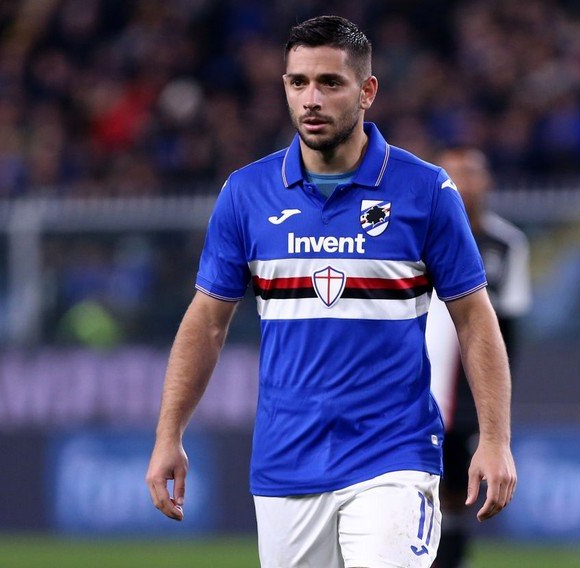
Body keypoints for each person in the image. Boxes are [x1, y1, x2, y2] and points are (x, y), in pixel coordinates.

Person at [145, 16, 516, 567]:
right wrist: (168, 434)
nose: (311, 99)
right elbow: (207, 322)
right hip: (286, 463)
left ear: (367, 91)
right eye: (298, 82)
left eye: (330, 83)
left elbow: (475, 318)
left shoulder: (426, 190)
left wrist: (495, 438)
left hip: (394, 456)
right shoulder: (246, 193)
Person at [425, 148, 530, 568]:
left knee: (457, 487)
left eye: (470, 172)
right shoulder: (416, 231)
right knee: (420, 483)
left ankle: (453, 558)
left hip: (469, 389)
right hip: (419, 381)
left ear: (487, 180)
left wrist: (499, 394)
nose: (462, 182)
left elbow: (509, 324)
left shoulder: (506, 243)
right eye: (453, 172)